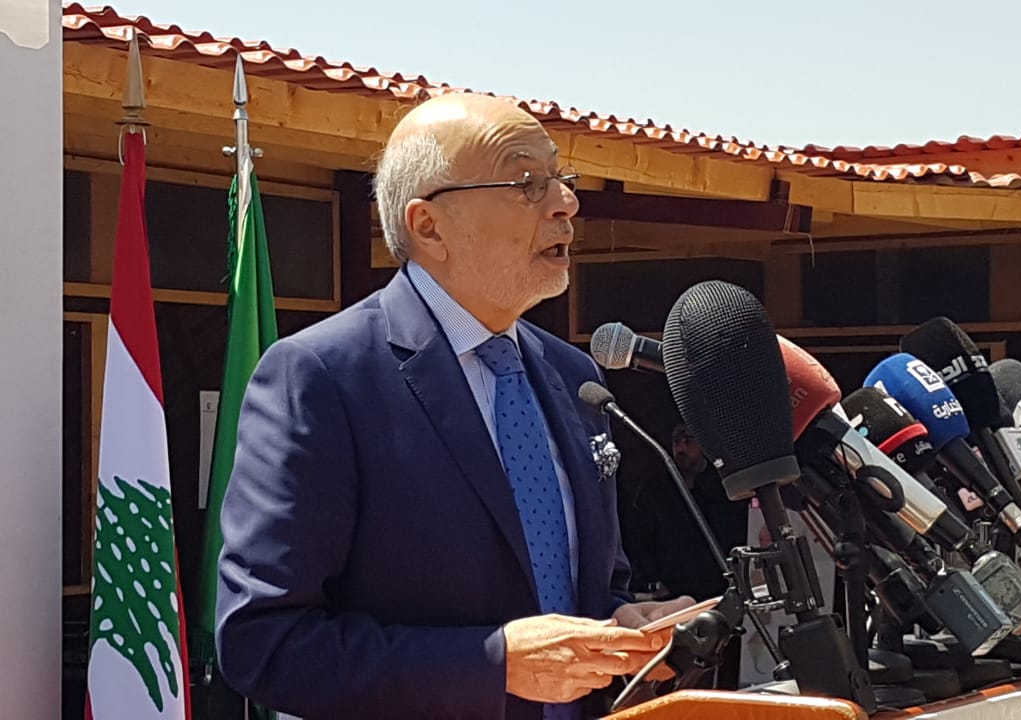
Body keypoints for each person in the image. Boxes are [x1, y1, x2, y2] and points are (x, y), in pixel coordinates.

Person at [215, 93, 694, 720]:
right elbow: (264, 644)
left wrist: (622, 625)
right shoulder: (321, 376)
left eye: (561, 179)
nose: (566, 203)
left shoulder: (575, 376)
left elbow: (584, 591)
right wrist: (494, 664)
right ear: (429, 226)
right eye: (527, 183)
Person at [627, 424, 750, 687]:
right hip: (673, 596)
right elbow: (640, 540)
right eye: (677, 441)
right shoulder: (655, 491)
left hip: (717, 592)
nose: (681, 448)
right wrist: (650, 581)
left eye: (689, 440)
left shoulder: (723, 490)